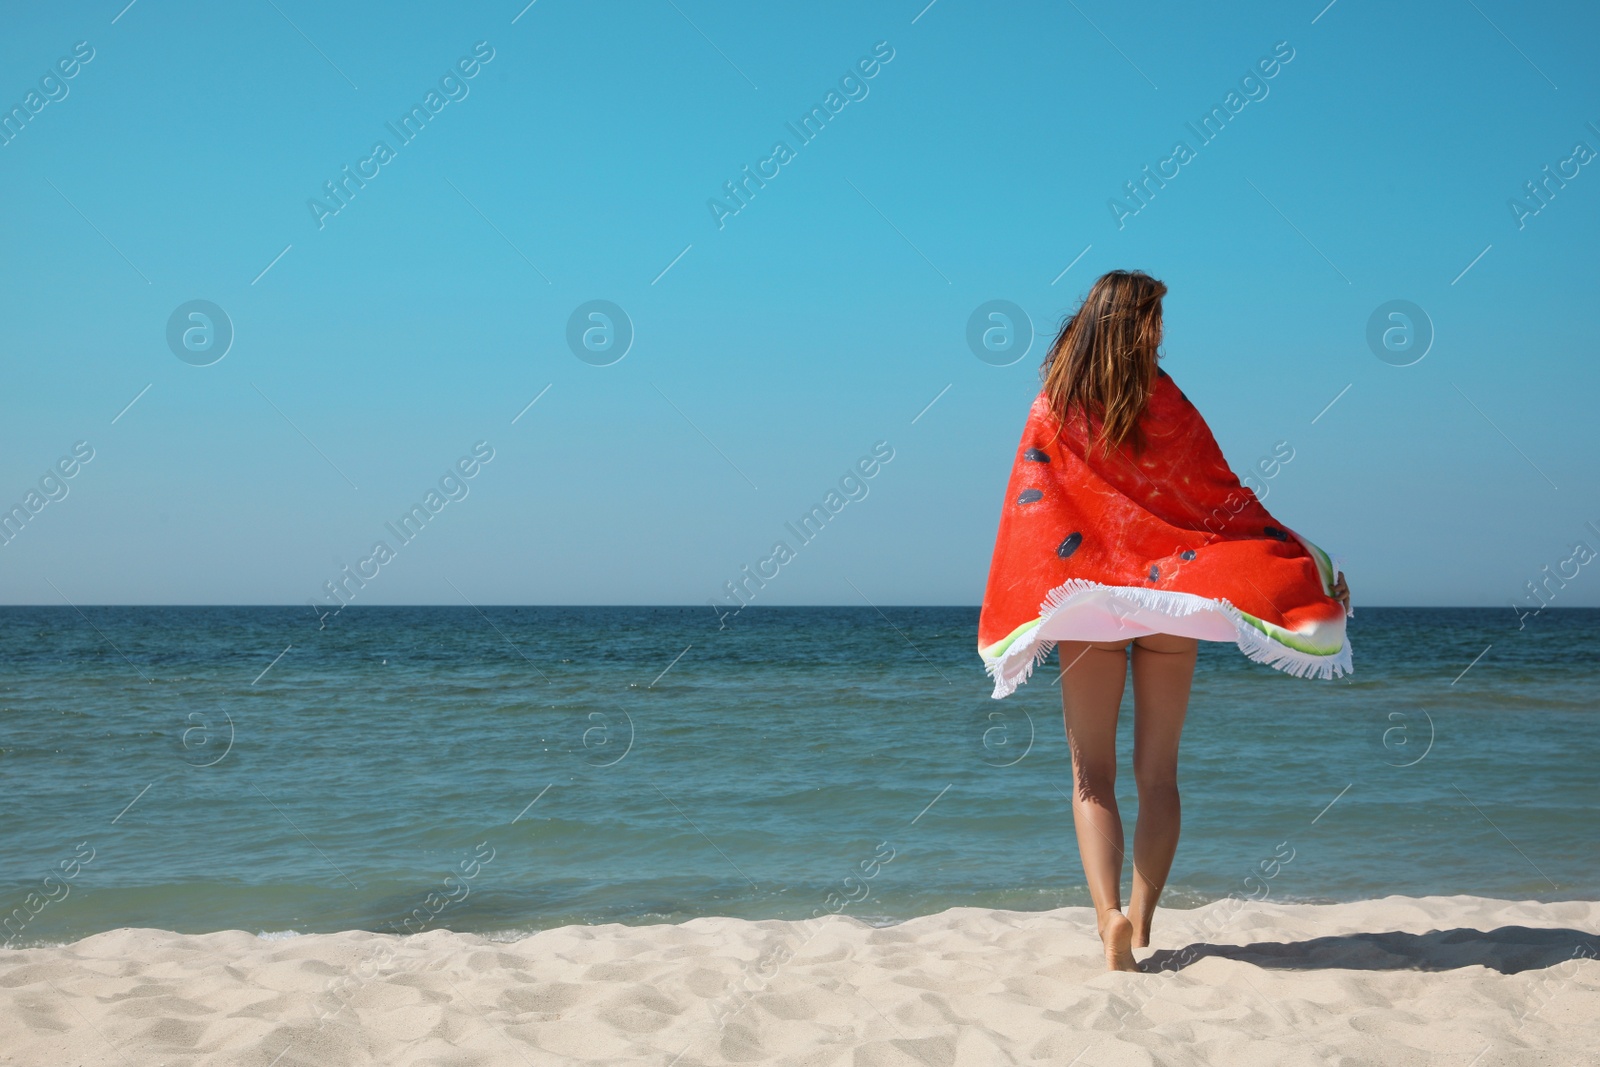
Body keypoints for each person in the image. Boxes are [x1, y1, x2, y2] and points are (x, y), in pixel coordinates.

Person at [976, 269, 1351, 972]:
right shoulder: (1168, 403)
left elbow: (1033, 507)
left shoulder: (1054, 406)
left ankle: (1109, 917)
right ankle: (1144, 925)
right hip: (1172, 600)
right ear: (1141, 327)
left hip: (1089, 604)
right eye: (1157, 323)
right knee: (1159, 776)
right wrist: (1306, 559)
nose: (1162, 335)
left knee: (1092, 776)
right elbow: (1225, 501)